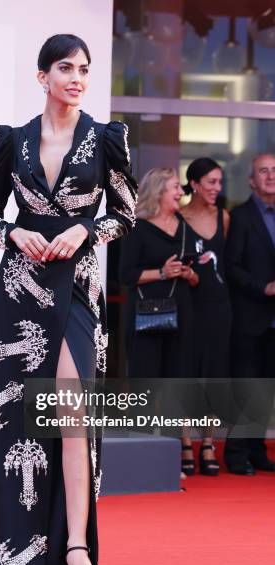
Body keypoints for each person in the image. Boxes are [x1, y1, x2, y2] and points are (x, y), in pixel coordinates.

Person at [0, 34, 137, 565]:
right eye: (64, 68)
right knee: (18, 422)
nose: (76, 78)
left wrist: (86, 229)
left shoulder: (107, 139)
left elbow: (125, 213)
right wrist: (13, 233)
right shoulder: (12, 141)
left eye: (83, 69)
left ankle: (77, 549)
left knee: (74, 412)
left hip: (77, 287)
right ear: (43, 77)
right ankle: (15, 549)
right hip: (21, 291)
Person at [120, 169, 198, 431]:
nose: (181, 192)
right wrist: (162, 273)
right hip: (146, 316)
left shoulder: (185, 226)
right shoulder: (137, 227)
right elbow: (125, 274)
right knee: (145, 385)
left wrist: (188, 273)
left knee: (175, 385)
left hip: (182, 313)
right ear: (159, 191)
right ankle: (141, 452)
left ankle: (170, 455)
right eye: (175, 187)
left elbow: (197, 274)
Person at [224, 154, 275, 475]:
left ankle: (256, 449)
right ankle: (236, 452)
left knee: (267, 387)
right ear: (252, 181)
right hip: (250, 316)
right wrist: (263, 288)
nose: (271, 176)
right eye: (264, 171)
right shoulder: (240, 217)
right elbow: (232, 267)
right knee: (246, 387)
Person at [179, 158, 231, 476]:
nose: (217, 189)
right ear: (194, 184)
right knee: (186, 374)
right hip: (188, 305)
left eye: (220, 183)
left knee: (213, 375)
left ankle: (208, 442)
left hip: (218, 306)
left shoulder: (223, 217)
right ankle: (186, 441)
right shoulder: (178, 217)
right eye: (211, 182)